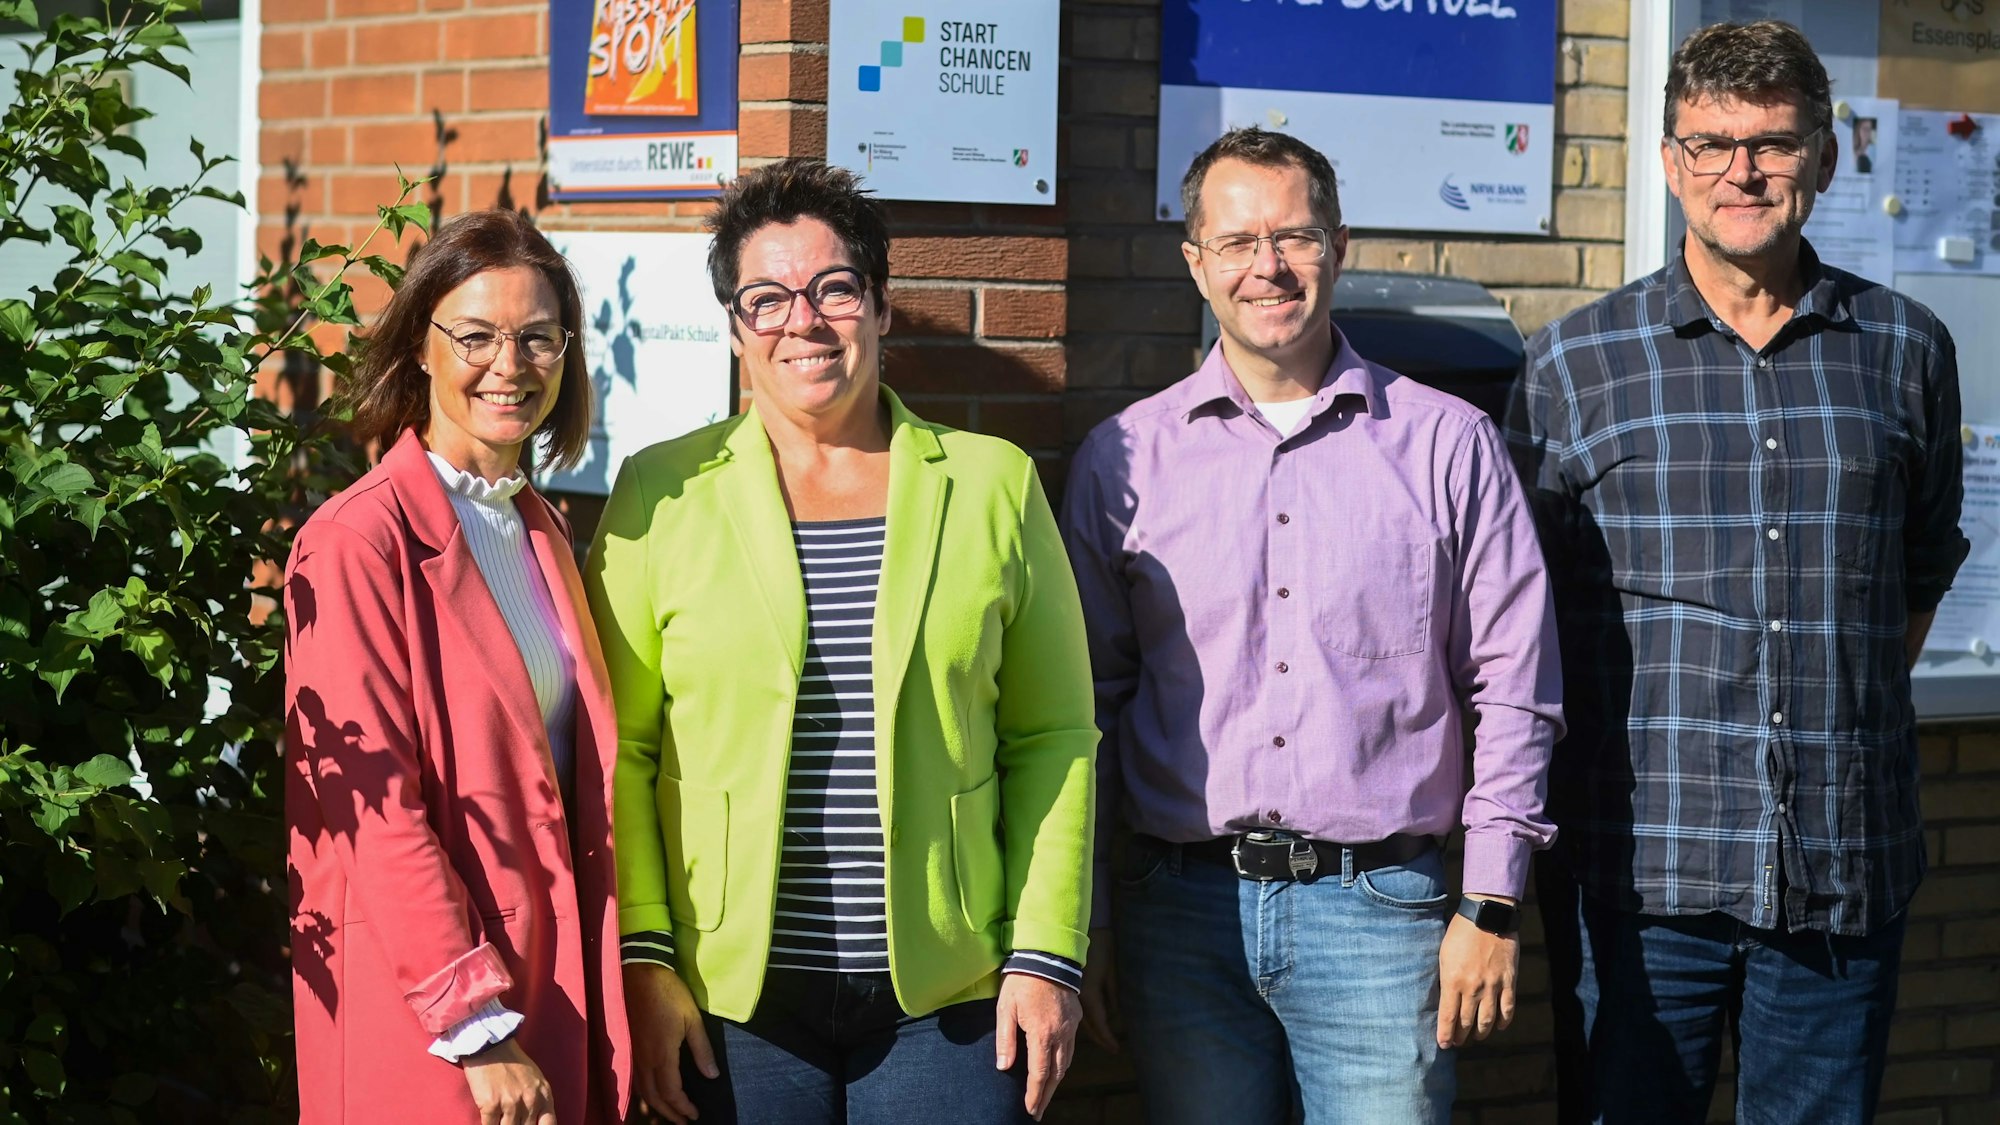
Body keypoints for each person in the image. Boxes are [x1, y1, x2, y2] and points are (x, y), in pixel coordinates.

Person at [1505, 21, 1970, 1125]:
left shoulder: (1904, 348)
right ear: (1669, 164)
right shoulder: (1574, 363)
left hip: (1837, 869)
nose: (1740, 172)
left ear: (1823, 154)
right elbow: (1522, 618)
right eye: (1709, 144)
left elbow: (1918, 569)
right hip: (1639, 876)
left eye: (1769, 142)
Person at [1060, 126, 1564, 1125]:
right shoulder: (1122, 461)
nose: (1267, 267)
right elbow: (1083, 712)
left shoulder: (1445, 445)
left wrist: (1490, 901)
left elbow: (1514, 683)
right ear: (1194, 262)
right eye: (1238, 241)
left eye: (1292, 237)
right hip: (1180, 914)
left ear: (1338, 245)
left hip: (1382, 915)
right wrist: (1091, 925)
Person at [584, 158, 1097, 1125]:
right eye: (766, 297)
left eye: (834, 288)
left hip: (947, 999)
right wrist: (644, 958)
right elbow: (624, 749)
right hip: (730, 999)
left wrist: (1046, 950)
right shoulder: (663, 493)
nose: (803, 321)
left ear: (882, 306)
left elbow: (1054, 734)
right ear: (735, 328)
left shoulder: (992, 485)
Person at [285, 209, 631, 1125]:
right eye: (475, 335)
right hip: (438, 1010)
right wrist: (475, 1020)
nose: (509, 364)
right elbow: (371, 808)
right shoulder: (356, 539)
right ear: (421, 349)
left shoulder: (540, 526)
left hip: (551, 976)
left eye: (537, 337)